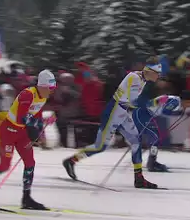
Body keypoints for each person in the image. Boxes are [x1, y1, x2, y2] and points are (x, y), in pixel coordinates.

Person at [62, 56, 169, 188]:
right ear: (150, 71)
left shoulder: (142, 79)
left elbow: (132, 102)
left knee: (136, 142)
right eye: (157, 74)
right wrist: (155, 103)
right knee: (100, 146)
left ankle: (139, 178)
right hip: (114, 111)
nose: (158, 77)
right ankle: (71, 161)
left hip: (122, 111)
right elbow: (134, 101)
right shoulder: (135, 78)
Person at [0, 70, 56, 210]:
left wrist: (42, 124)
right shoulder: (28, 94)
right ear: (41, 85)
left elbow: (37, 114)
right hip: (9, 130)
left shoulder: (43, 96)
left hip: (22, 133)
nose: (51, 92)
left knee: (30, 163)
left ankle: (26, 198)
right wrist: (33, 128)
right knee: (4, 165)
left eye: (53, 89)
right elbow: (22, 116)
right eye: (49, 88)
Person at [136, 90, 190, 172]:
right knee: (155, 139)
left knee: (155, 139)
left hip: (147, 113)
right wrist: (180, 113)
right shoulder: (175, 102)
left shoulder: (176, 101)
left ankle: (152, 161)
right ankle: (151, 163)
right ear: (185, 100)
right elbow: (165, 111)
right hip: (145, 114)